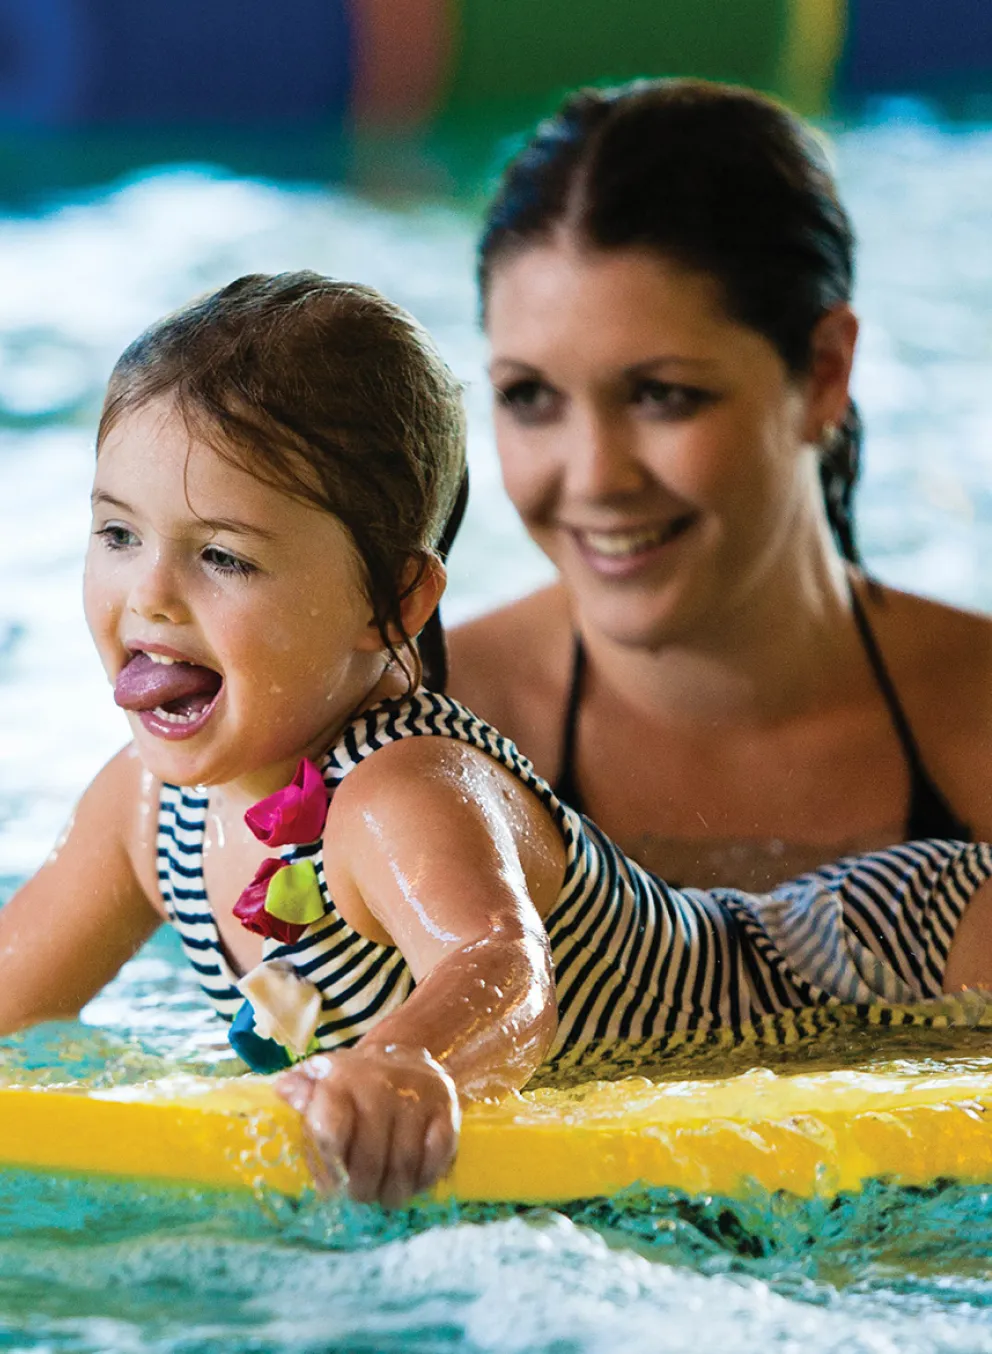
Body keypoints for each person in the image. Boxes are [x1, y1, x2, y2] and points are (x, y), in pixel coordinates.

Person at [1, 273, 991, 1212]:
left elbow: (504, 968)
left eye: (221, 555)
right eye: (118, 535)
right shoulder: (141, 807)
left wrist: (405, 1059)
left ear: (393, 599)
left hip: (882, 955)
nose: (150, 597)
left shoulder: (399, 791)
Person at [448, 79, 992, 891]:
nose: (595, 476)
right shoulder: (421, 736)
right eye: (529, 396)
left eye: (663, 395)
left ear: (823, 372)